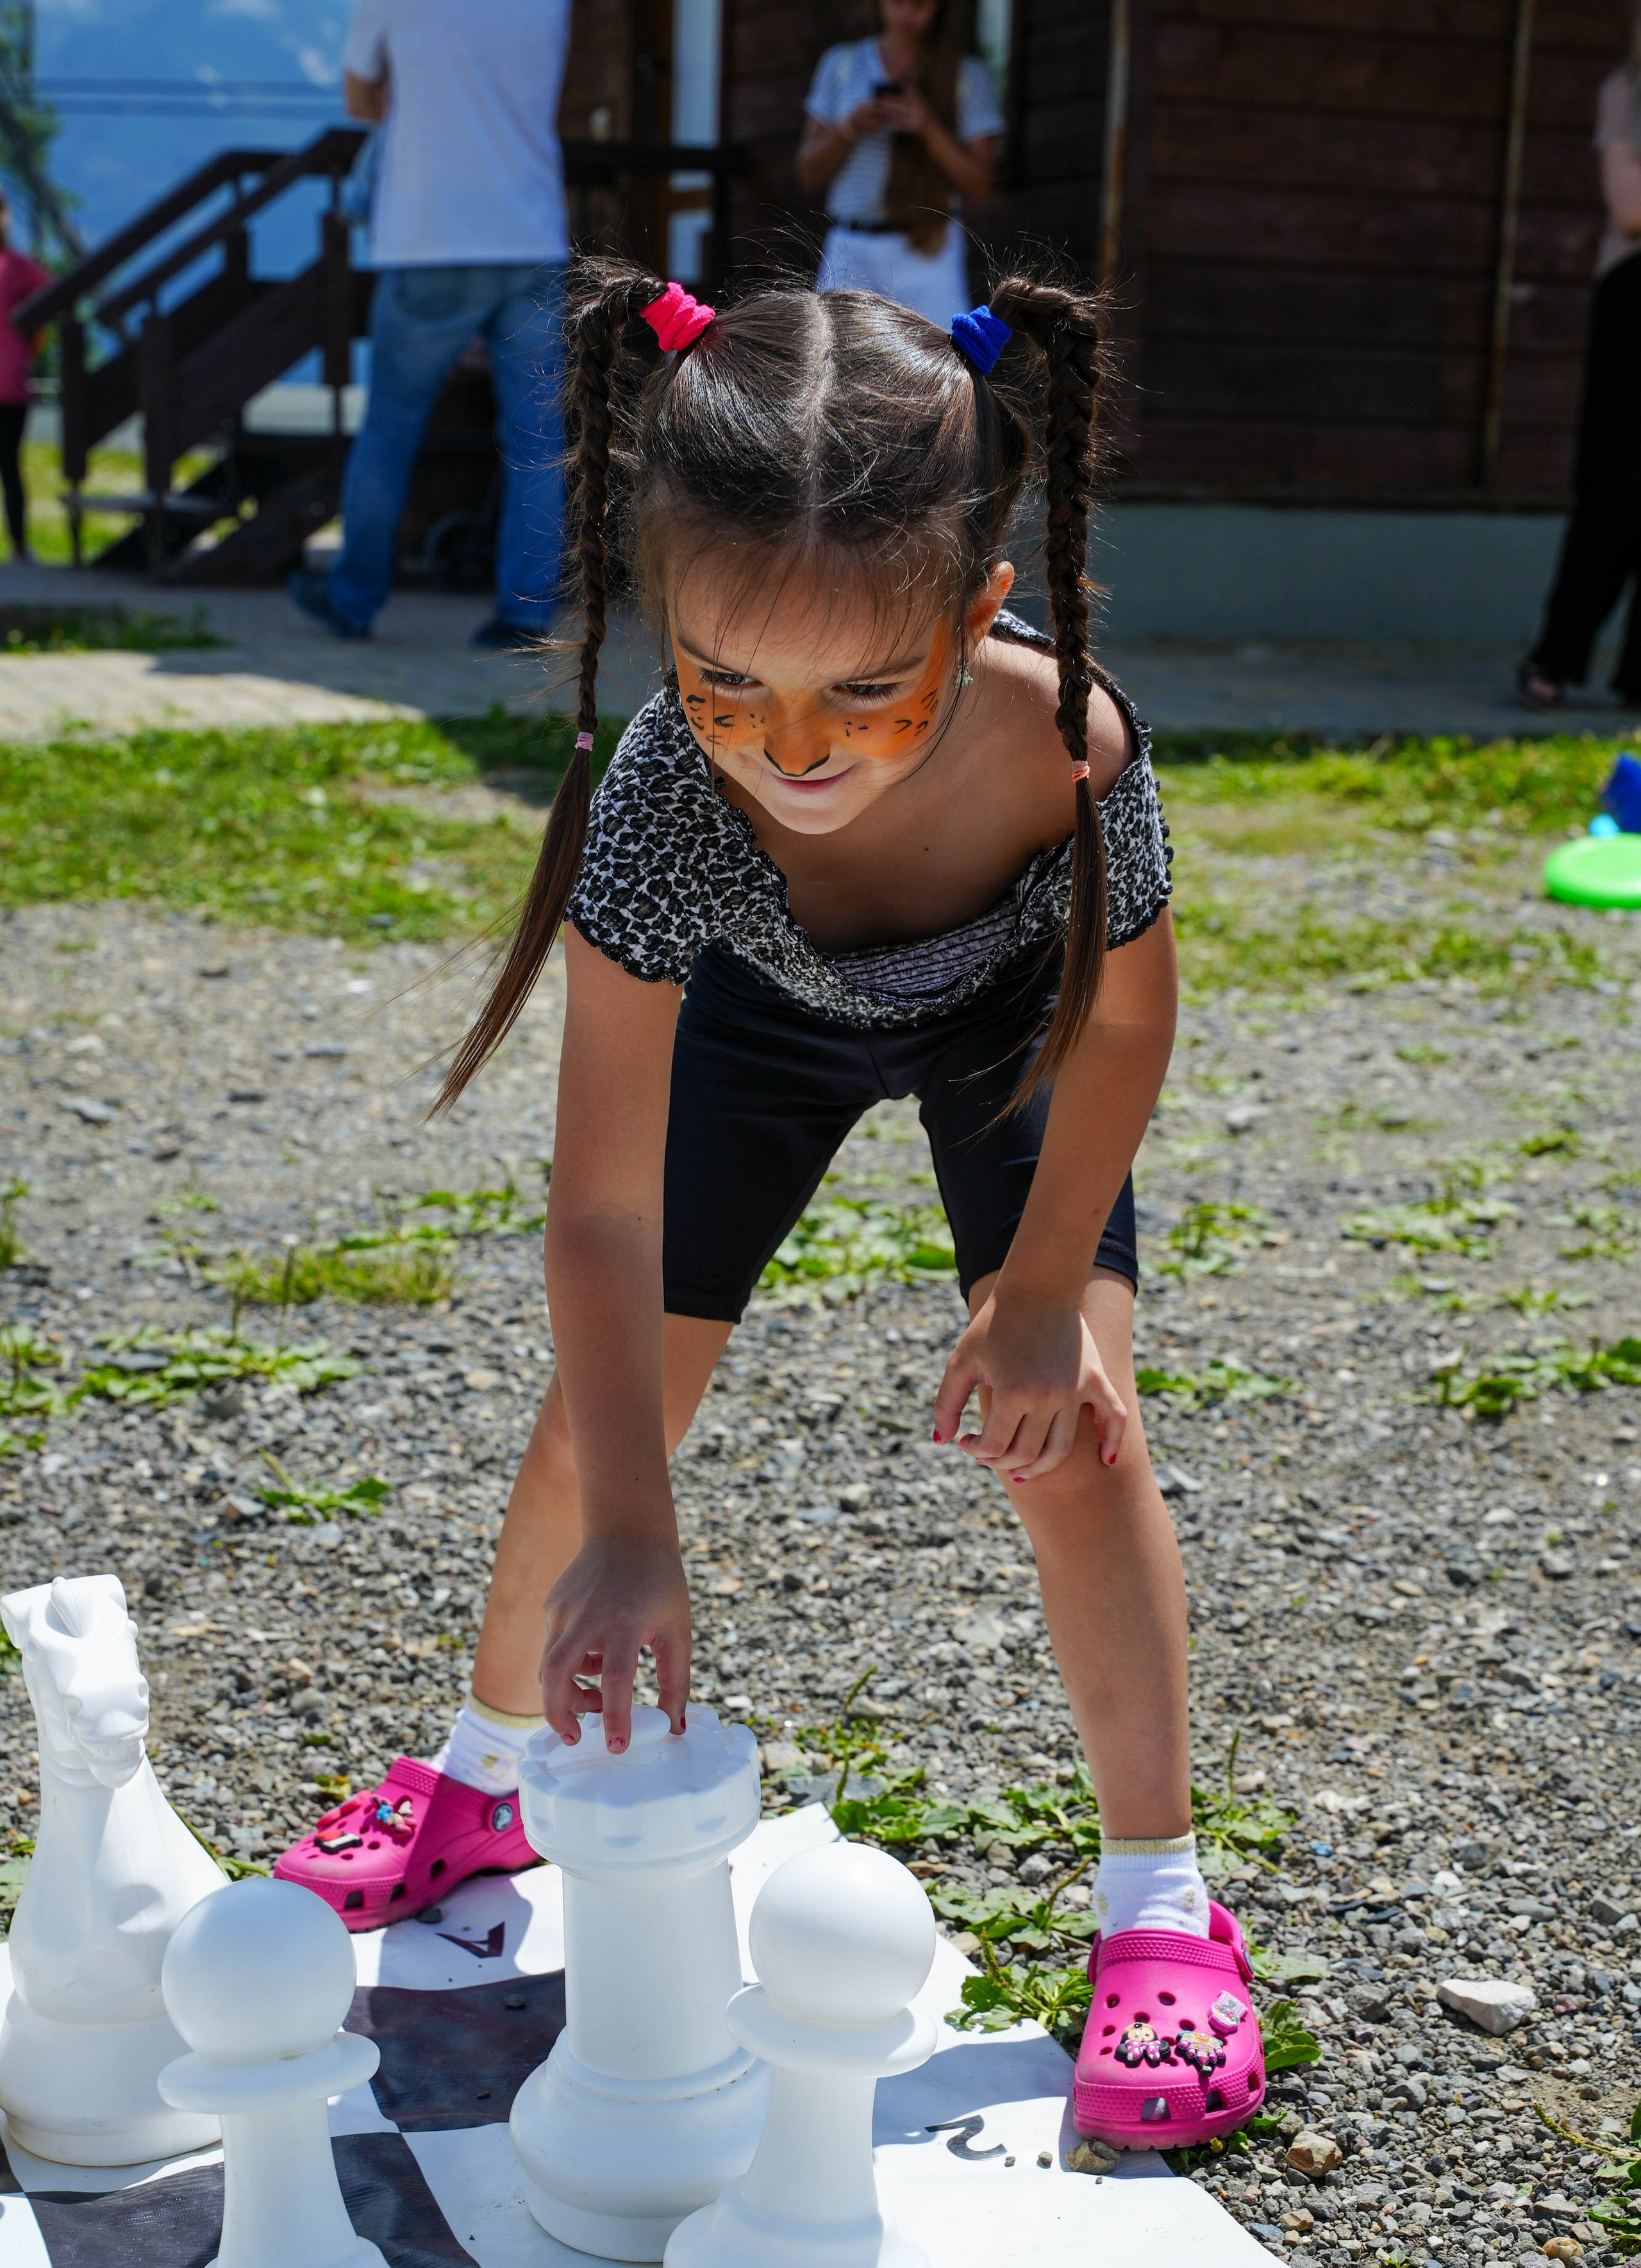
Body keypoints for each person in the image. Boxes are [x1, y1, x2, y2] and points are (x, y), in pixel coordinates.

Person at [272, 262, 1267, 2154]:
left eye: (861, 692)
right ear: (662, 620)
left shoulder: (1068, 740)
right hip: (760, 1018)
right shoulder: (663, 791)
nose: (790, 747)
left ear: (975, 609)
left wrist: (1042, 1281)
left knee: (1074, 1431)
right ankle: (480, 1770)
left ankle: (1158, 1897)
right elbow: (596, 1207)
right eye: (725, 683)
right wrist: (632, 1529)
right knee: (597, 1420)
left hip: (1017, 1023)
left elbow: (1129, 1022)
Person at [290, 0, 573, 650]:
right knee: (537, 442)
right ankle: (525, 614)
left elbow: (359, 100)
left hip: (429, 239)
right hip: (531, 236)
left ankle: (353, 599)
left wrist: (413, 90)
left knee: (390, 431)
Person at [1520, 15, 1641, 709]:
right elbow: (1630, 209)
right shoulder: (1627, 90)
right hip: (1635, 298)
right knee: (1615, 485)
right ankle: (1557, 657)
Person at [797, 0, 1004, 329]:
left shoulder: (965, 75)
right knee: (838, 355)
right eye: (898, 1)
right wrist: (850, 128)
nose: (908, 13)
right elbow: (808, 173)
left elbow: (981, 184)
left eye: (920, 4)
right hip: (851, 248)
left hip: (928, 248)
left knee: (938, 359)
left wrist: (926, 127)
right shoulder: (842, 65)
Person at [0, 194, 50, 565]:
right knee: (9, 465)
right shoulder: (18, 267)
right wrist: (33, 341)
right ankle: (19, 546)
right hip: (14, 379)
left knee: (9, 464)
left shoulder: (18, 266)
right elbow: (54, 294)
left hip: (11, 382)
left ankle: (19, 543)